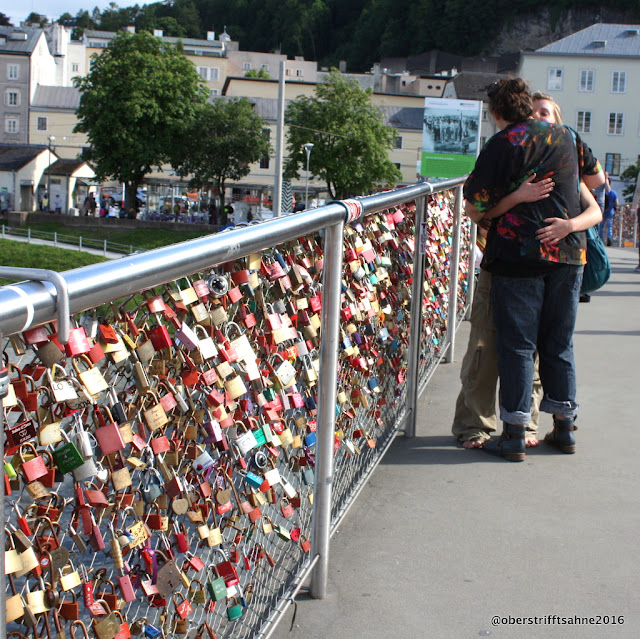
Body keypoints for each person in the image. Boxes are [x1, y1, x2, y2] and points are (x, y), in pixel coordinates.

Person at [453, 91, 603, 450]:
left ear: (495, 112)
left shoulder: (504, 142)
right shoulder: (567, 137)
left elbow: (473, 208)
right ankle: (564, 428)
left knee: (518, 346)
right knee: (558, 344)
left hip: (517, 258)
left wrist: (514, 198)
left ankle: (514, 435)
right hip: (567, 258)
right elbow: (595, 184)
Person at [601, 172, 618, 246]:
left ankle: (600, 240)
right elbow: (617, 202)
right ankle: (609, 239)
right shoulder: (614, 193)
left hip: (602, 211)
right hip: (610, 211)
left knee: (601, 227)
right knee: (609, 227)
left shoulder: (602, 193)